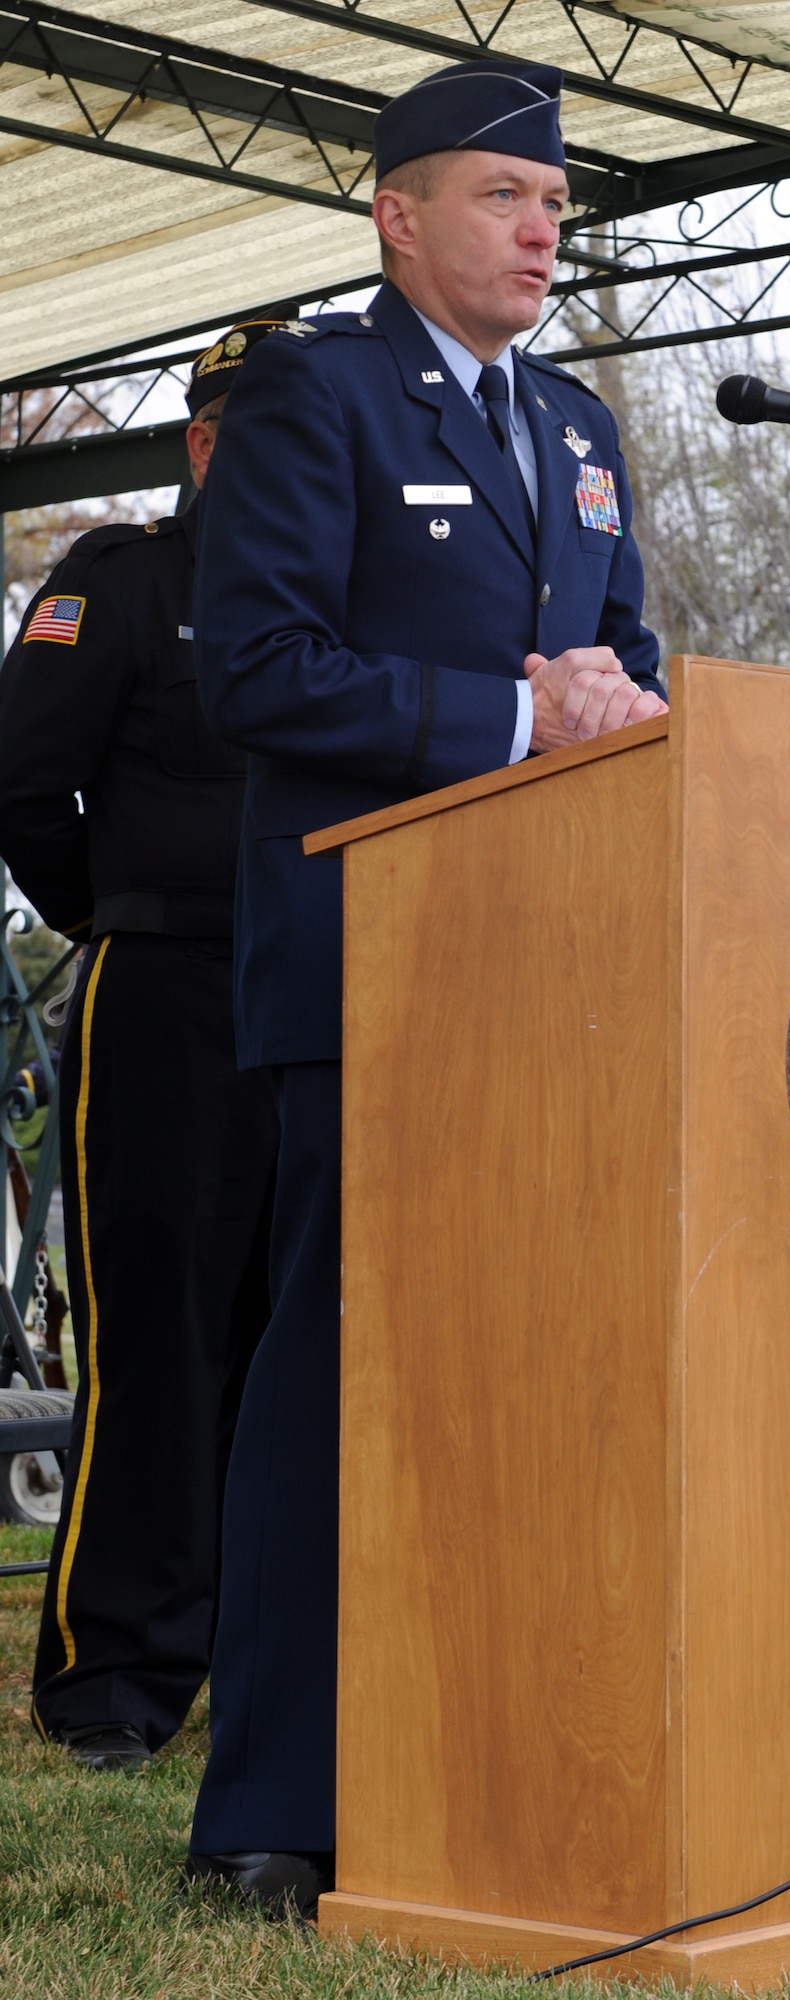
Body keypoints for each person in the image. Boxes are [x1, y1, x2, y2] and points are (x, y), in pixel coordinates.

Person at [183, 57, 667, 1915]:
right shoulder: (312, 393)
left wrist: (624, 708)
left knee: (519, 1389)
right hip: (369, 976)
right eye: (501, 196)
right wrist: (512, 716)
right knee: (332, 1391)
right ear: (396, 215)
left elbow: (614, 662)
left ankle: (487, 1756)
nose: (542, 227)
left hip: (556, 997)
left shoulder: (579, 426)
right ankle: (271, 1812)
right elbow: (262, 674)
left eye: (553, 206)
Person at [0, 316, 290, 1770]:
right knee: (155, 1344)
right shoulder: (124, 580)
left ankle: (269, 1660)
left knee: (288, 1343)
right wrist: (124, 914)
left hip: (319, 1004)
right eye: (269, 435)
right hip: (166, 992)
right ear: (205, 442)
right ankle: (113, 1679)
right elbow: (22, 787)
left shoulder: (338, 605)